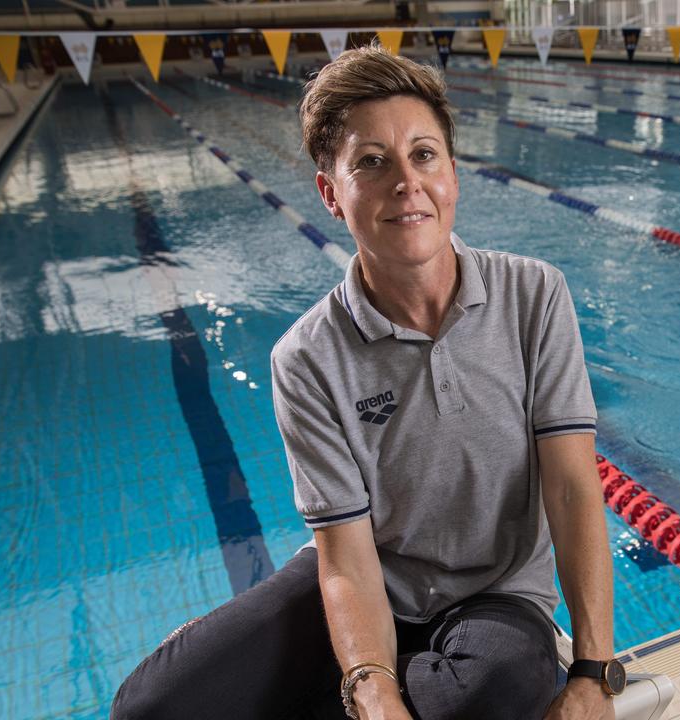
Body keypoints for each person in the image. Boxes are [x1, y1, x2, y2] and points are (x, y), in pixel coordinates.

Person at [112, 47, 620, 720]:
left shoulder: (533, 294)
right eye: (372, 162)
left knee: (493, 688)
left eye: (424, 155)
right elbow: (347, 556)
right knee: (152, 707)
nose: (406, 182)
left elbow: (572, 486)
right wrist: (373, 686)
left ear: (454, 175)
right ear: (331, 194)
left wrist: (591, 671)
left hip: (495, 596)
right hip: (363, 579)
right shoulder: (307, 357)